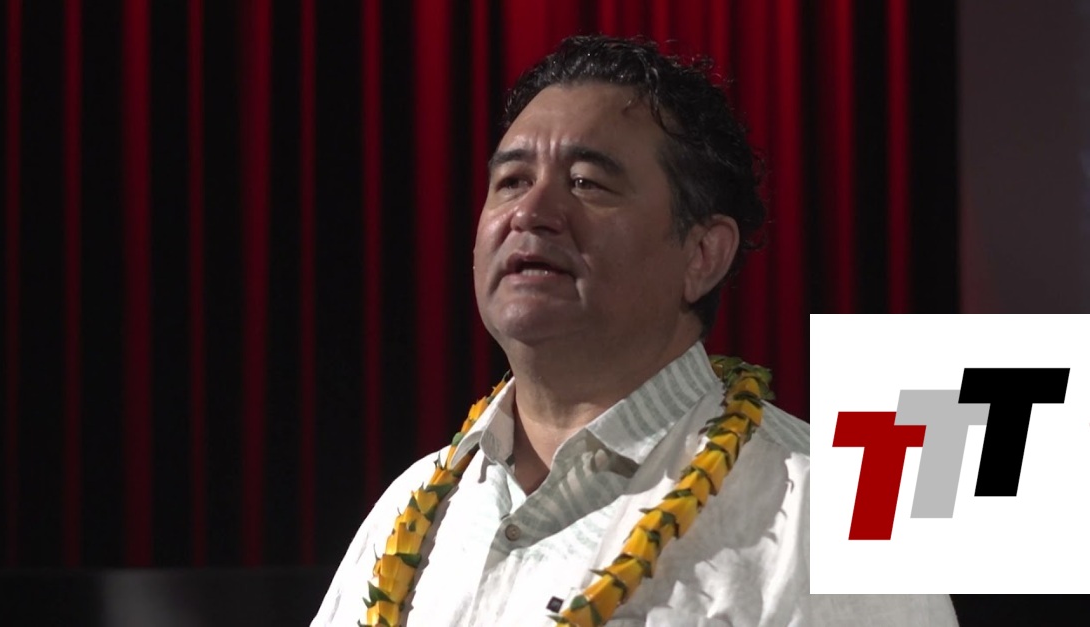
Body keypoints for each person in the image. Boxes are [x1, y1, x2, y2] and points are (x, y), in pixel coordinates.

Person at [312, 35, 958, 627]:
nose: (531, 212)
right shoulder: (408, 513)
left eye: (586, 182)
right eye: (511, 181)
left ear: (701, 254)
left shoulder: (834, 515)